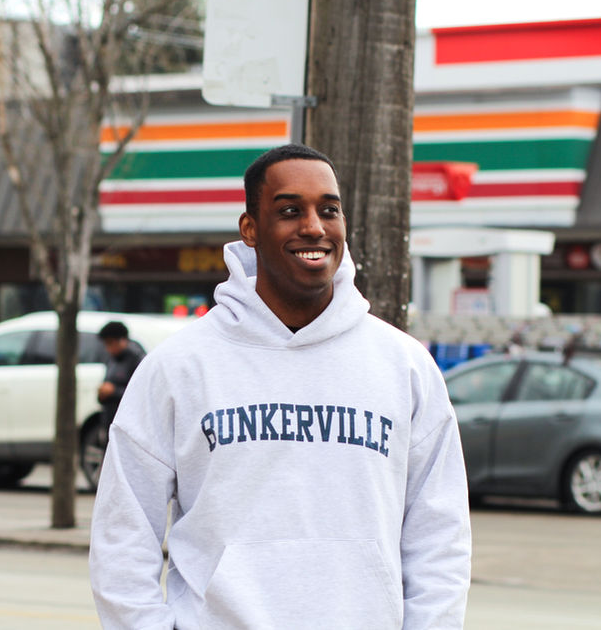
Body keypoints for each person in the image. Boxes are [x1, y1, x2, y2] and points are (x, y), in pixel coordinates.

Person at [89, 144, 471, 629]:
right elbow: (122, 533)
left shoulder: (404, 366)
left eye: (328, 210)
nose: (314, 226)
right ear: (250, 228)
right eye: (290, 210)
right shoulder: (180, 367)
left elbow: (440, 537)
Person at [96, 320, 146, 423]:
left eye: (110, 343)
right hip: (111, 418)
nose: (108, 348)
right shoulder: (112, 359)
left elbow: (141, 394)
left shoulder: (137, 359)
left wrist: (114, 391)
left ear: (122, 340)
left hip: (129, 421)